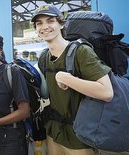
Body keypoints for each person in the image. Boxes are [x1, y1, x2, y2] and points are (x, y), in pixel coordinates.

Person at [32, 5, 114, 155]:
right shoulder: (44, 56)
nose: (45, 27)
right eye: (39, 23)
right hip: (54, 133)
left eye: (50, 21)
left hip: (80, 137)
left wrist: (68, 79)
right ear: (36, 29)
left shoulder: (81, 51)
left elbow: (106, 92)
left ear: (61, 24)